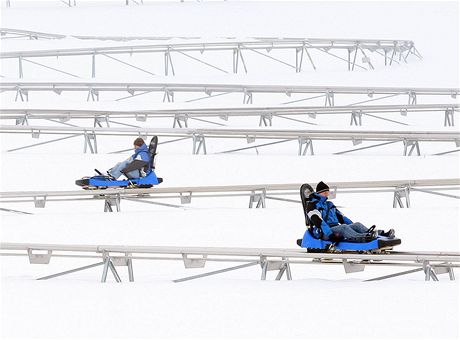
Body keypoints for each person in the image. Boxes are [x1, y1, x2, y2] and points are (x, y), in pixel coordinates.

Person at [306, 181, 395, 242]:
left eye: (328, 192)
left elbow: (342, 218)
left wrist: (353, 227)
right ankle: (364, 238)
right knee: (343, 227)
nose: (327, 194)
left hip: (334, 228)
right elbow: (318, 221)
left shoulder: (329, 204)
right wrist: (329, 234)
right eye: (325, 192)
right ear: (319, 193)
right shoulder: (312, 205)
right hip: (324, 232)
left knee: (357, 224)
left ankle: (381, 234)